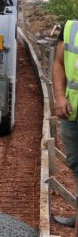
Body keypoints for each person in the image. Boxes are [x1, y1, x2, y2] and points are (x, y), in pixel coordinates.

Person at [53, 20, 78, 236]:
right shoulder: (71, 28)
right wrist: (60, 97)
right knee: (75, 164)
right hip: (72, 113)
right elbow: (59, 63)